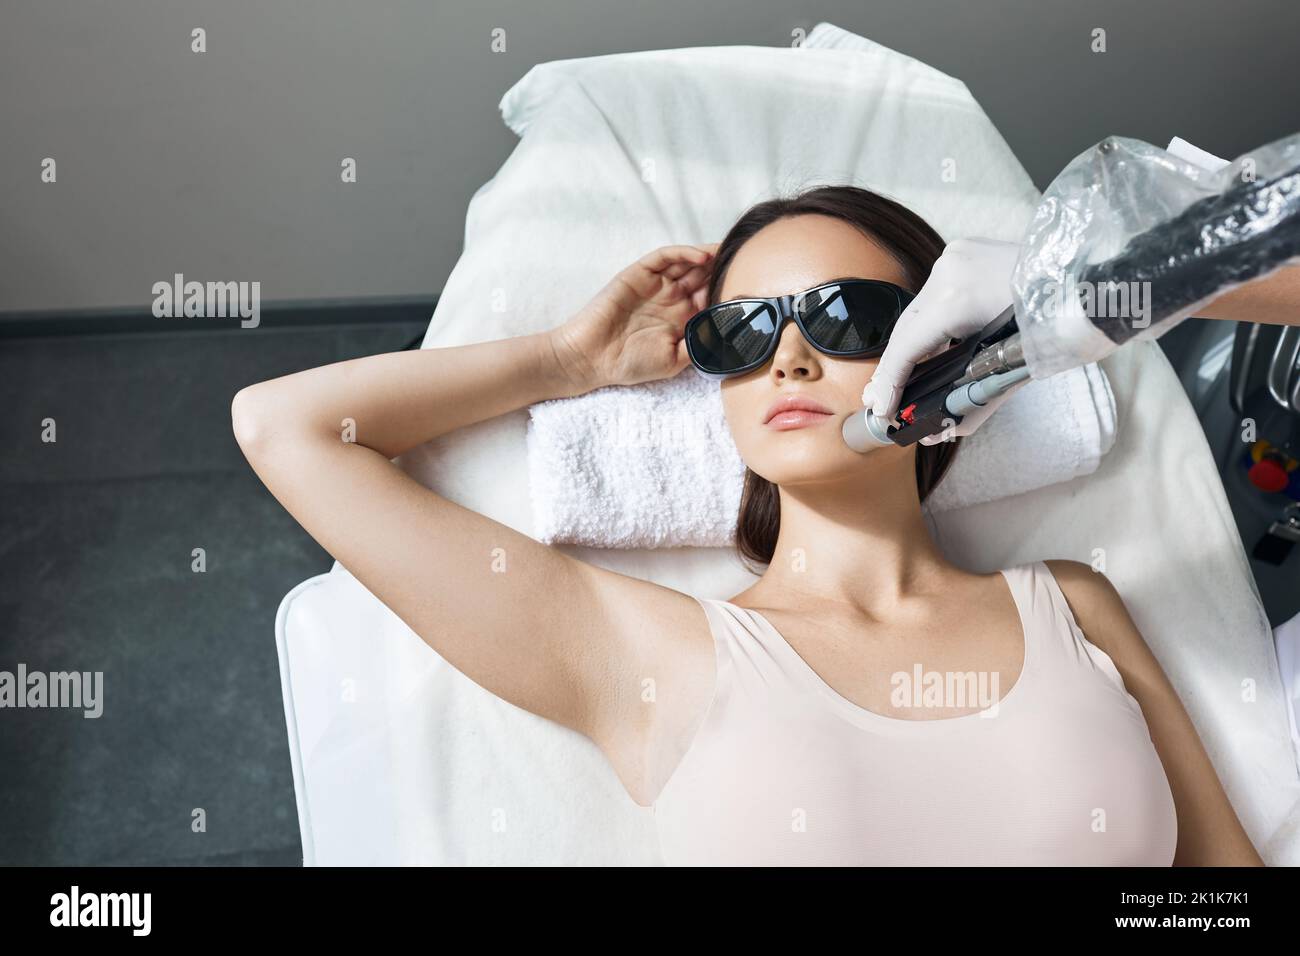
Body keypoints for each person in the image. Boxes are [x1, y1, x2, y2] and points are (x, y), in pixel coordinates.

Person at [232, 184, 1263, 865]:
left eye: (846, 314)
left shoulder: (1072, 606)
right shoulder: (651, 654)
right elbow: (290, 429)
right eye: (744, 331)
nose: (792, 358)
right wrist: (565, 361)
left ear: (948, 339)